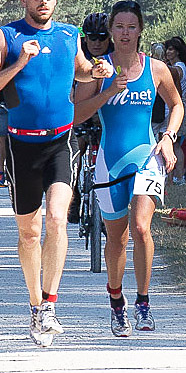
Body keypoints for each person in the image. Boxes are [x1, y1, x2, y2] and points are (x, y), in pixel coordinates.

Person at [0, 0, 112, 347]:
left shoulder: (70, 35)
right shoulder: (9, 36)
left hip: (59, 143)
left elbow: (81, 71)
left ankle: (50, 304)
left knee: (57, 219)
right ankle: (35, 305)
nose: (44, 1)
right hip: (21, 146)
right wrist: (19, 63)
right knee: (29, 232)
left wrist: (96, 69)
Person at [73, 0, 183, 337]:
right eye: (119, 27)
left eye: (131, 27)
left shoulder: (157, 69)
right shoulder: (99, 69)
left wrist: (168, 137)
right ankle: (117, 303)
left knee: (141, 227)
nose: (124, 33)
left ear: (140, 30)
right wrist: (107, 92)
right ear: (110, 31)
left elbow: (176, 104)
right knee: (117, 238)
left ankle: (144, 302)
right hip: (110, 161)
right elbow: (76, 114)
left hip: (147, 158)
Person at [68, 12, 113, 223]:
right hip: (79, 109)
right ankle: (75, 192)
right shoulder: (78, 55)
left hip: (105, 113)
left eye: (102, 37)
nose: (96, 42)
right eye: (91, 37)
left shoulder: (114, 56)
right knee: (77, 147)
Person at [163, 37, 186, 184]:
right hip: (179, 109)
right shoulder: (181, 67)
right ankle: (177, 177)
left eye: (171, 49)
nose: (168, 52)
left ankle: (177, 177)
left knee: (173, 145)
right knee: (175, 144)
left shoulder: (179, 68)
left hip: (174, 110)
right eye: (167, 49)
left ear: (178, 52)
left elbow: (173, 75)